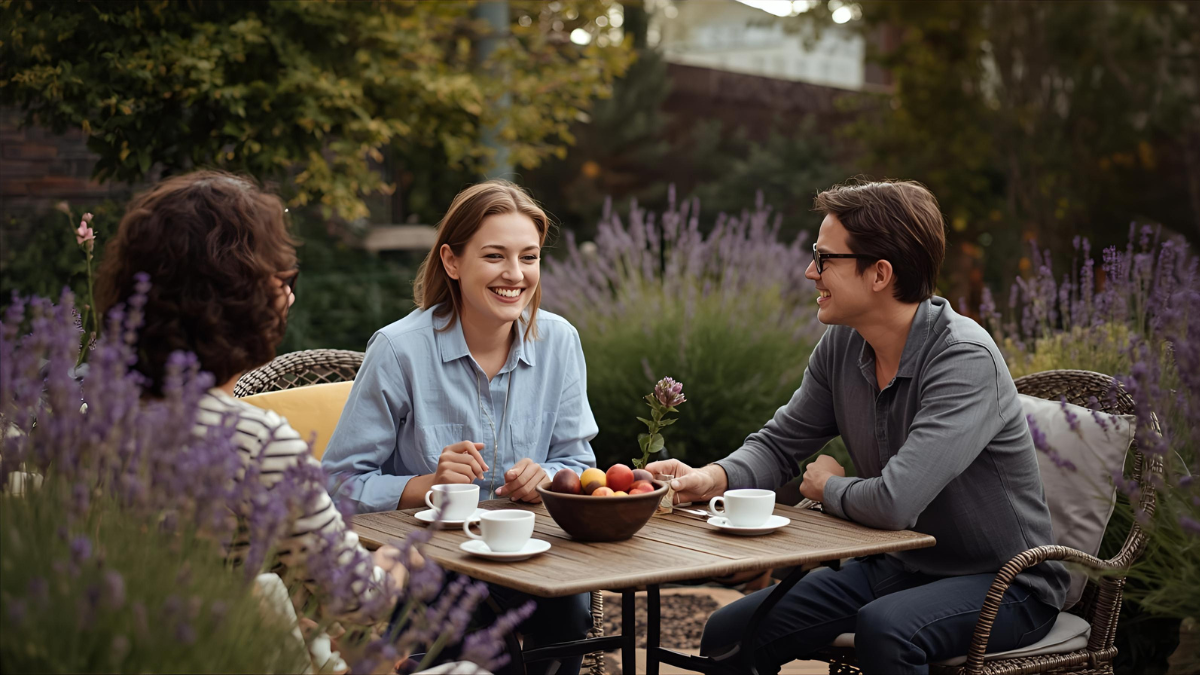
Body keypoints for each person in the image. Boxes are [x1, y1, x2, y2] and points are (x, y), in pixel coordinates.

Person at [648, 179, 1070, 675]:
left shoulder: (963, 360)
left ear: (880, 274)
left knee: (888, 629)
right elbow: (781, 444)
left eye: (824, 258)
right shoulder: (842, 347)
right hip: (900, 569)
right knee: (730, 633)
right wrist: (711, 478)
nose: (810, 272)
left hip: (1005, 585)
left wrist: (827, 486)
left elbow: (895, 502)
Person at [95, 171, 405, 631]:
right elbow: (358, 601)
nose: (290, 294)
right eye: (282, 279)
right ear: (244, 299)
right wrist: (399, 561)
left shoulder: (88, 424)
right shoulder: (254, 442)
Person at [321, 179, 598, 674]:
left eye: (529, 257)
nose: (515, 274)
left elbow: (578, 464)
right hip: (431, 566)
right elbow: (335, 485)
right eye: (495, 256)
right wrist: (427, 486)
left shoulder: (560, 341)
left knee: (567, 612)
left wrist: (548, 479)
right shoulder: (399, 349)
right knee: (460, 623)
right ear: (452, 261)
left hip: (535, 558)